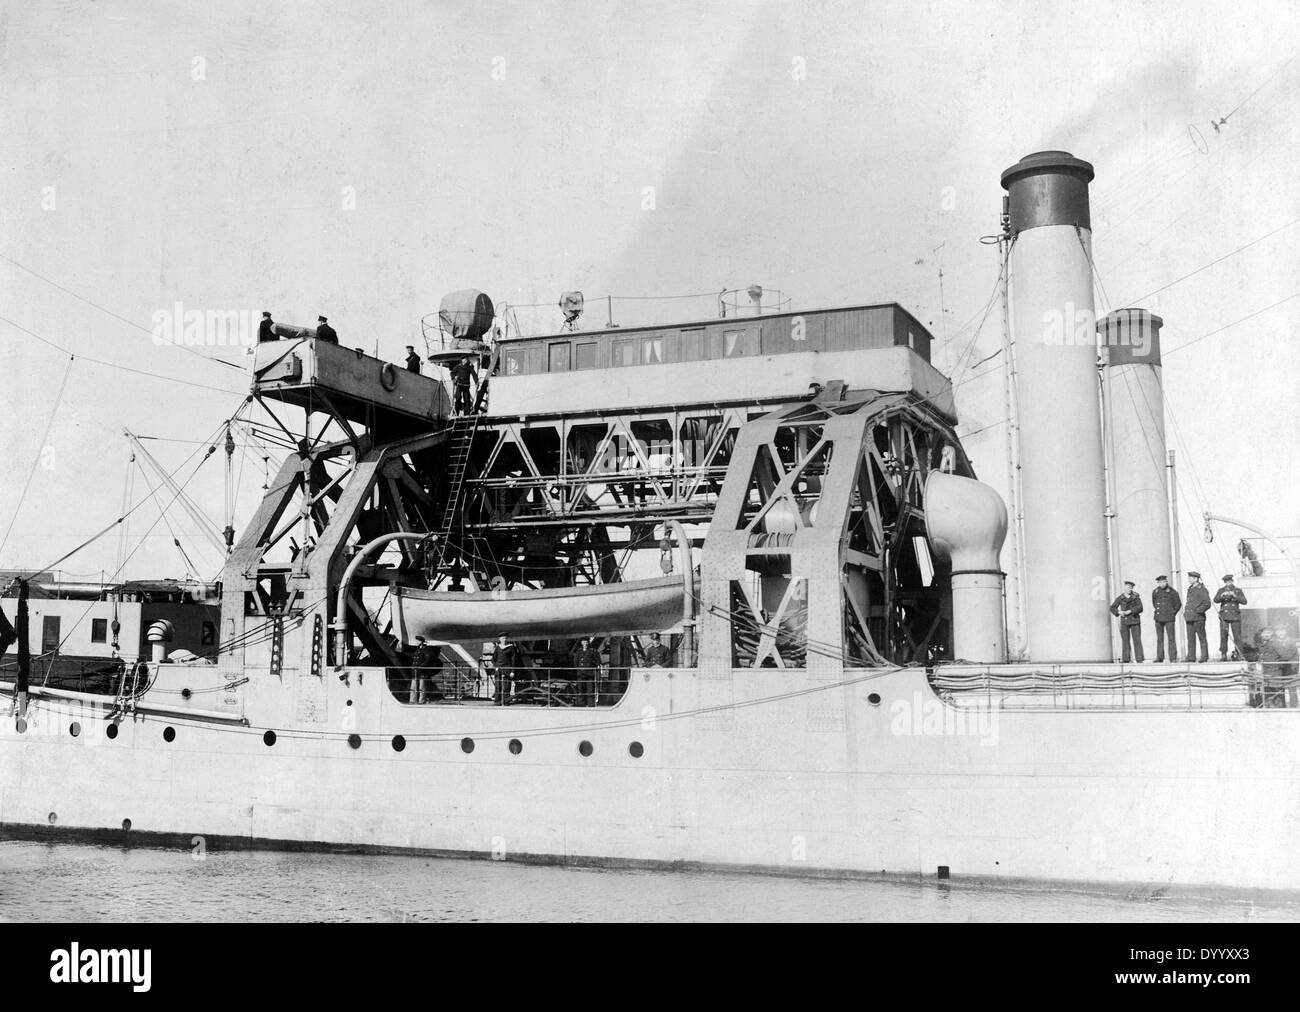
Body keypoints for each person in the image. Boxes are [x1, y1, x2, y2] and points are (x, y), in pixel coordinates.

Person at [1213, 574, 1248, 661]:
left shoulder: (1237, 590)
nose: (1228, 583)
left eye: (1229, 581)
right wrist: (1222, 595)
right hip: (1224, 617)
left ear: (1232, 581)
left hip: (1235, 616)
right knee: (1223, 636)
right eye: (1226, 582)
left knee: (1237, 636)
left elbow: (1244, 601)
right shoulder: (1221, 590)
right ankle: (1223, 654)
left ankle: (1239, 654)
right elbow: (1215, 600)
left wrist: (1235, 596)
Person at [1109, 580, 1144, 663]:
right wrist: (1118, 612)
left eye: (1131, 588)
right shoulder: (1120, 598)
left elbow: (1140, 608)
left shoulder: (1136, 597)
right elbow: (1112, 607)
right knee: (1125, 640)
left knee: (1137, 640)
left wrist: (1131, 611)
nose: (1129, 589)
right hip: (1124, 622)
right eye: (1128, 587)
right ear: (1124, 588)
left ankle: (1139, 659)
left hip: (1135, 621)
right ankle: (1126, 659)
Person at [1151, 575, 1181, 663]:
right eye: (1160, 582)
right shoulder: (1155, 591)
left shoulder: (1172, 592)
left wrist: (1172, 612)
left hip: (1169, 618)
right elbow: (1154, 603)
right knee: (1160, 638)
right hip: (1158, 617)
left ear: (1166, 582)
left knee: (1171, 638)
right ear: (1158, 583)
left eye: (1164, 582)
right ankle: (1160, 657)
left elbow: (1178, 604)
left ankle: (1173, 657)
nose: (1162, 584)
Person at [1184, 571, 1211, 662]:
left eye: (1190, 578)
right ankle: (1191, 657)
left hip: (1198, 618)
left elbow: (1207, 604)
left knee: (1201, 637)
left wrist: (1197, 611)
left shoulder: (1202, 589)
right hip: (1189, 617)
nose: (1189, 579)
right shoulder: (1190, 589)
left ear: (1196, 579)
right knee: (1190, 638)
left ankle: (1204, 656)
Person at [492, 633, 524, 704]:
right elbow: (493, 659)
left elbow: (513, 660)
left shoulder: (511, 647)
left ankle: (506, 701)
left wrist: (512, 671)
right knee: (498, 685)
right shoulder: (497, 648)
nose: (504, 640)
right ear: (499, 639)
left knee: (506, 686)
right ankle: (497, 701)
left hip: (507, 669)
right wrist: (496, 667)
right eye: (502, 638)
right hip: (499, 669)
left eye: (505, 638)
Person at [411, 635, 442, 703]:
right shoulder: (418, 649)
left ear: (420, 642)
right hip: (415, 672)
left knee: (422, 687)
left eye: (417, 641)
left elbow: (430, 658)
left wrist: (422, 666)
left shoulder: (426, 649)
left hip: (422, 672)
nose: (415, 642)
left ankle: (421, 700)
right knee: (413, 687)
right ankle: (412, 700)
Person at [571, 637, 602, 706]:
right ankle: (581, 705)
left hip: (590, 675)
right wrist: (579, 669)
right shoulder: (579, 652)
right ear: (582, 643)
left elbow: (598, 662)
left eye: (587, 642)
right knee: (581, 690)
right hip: (581, 674)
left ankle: (591, 705)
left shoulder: (593, 651)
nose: (586, 643)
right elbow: (575, 662)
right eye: (584, 642)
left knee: (590, 691)